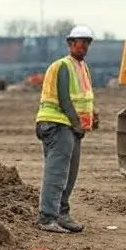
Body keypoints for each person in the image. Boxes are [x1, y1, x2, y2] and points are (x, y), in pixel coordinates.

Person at [35, 25, 99, 233]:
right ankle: (47, 217)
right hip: (57, 124)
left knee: (70, 173)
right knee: (57, 173)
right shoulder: (63, 66)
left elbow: (82, 97)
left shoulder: (82, 67)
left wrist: (91, 116)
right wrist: (76, 123)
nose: (84, 47)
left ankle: (61, 213)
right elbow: (64, 98)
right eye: (81, 43)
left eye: (87, 44)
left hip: (71, 127)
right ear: (70, 44)